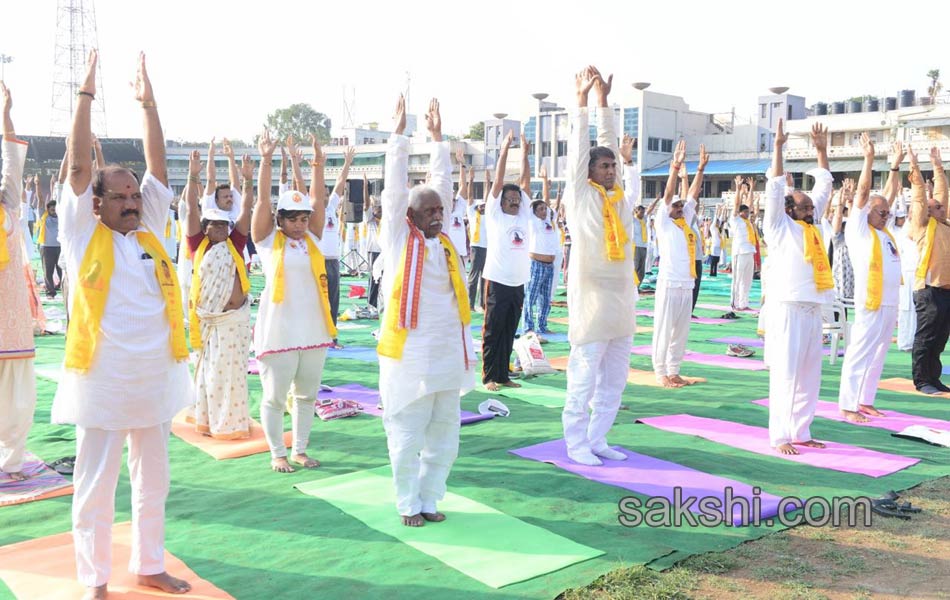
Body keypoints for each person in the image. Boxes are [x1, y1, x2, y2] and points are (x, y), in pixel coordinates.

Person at [52, 50, 193, 598]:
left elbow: (157, 165)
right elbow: (78, 161)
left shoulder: (149, 228)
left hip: (155, 377)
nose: (134, 202)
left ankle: (150, 564)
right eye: (122, 196)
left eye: (136, 195)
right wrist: (85, 95)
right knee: (94, 487)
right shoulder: (84, 232)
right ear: (97, 203)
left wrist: (149, 104)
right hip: (103, 380)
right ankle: (95, 580)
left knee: (153, 481)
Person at [377, 95, 475, 526]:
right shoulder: (400, 241)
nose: (439, 214)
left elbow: (445, 186)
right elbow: (395, 189)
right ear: (409, 216)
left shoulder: (446, 244)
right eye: (430, 210)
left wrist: (438, 139)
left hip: (448, 356)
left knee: (444, 435)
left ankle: (431, 498)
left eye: (441, 209)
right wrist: (398, 136)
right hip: (409, 358)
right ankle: (406, 503)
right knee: (406, 433)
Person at [560, 67, 639, 466]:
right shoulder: (580, 197)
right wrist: (583, 103)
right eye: (604, 167)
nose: (611, 170)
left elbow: (609, 143)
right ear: (590, 172)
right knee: (584, 374)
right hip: (591, 296)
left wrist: (605, 100)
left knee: (615, 378)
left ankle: (598, 438)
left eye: (613, 167)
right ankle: (575, 444)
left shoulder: (619, 197)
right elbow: (580, 149)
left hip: (622, 296)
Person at [251, 130, 336, 472]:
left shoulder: (313, 240)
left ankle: (300, 450)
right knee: (274, 398)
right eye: (293, 219)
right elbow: (260, 202)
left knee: (306, 397)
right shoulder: (268, 241)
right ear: (280, 220)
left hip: (314, 331)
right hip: (279, 332)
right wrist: (268, 159)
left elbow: (319, 200)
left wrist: (318, 162)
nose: (301, 224)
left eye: (303, 218)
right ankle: (277, 453)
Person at [763, 119, 833, 455]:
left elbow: (824, 189)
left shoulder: (813, 230)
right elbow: (775, 188)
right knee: (786, 375)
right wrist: (778, 148)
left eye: (810, 207)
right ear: (789, 210)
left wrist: (821, 152)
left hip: (812, 308)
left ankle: (802, 431)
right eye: (804, 207)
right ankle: (780, 436)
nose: (810, 210)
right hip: (787, 309)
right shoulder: (778, 226)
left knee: (809, 377)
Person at [184, 148, 255, 439]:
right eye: (213, 224)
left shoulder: (235, 243)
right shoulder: (197, 245)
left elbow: (247, 210)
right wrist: (193, 176)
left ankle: (233, 424)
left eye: (224, 224)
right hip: (209, 320)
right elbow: (190, 208)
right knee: (210, 373)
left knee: (233, 373)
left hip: (233, 320)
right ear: (204, 227)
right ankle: (208, 421)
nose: (220, 229)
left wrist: (249, 182)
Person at [837, 133, 901, 422]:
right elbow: (864, 192)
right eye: (881, 212)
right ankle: (848, 405)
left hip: (889, 302)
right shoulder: (859, 229)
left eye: (887, 212)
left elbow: (889, 194)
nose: (886, 215)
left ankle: (865, 400)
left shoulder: (884, 232)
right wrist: (869, 159)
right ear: (867, 213)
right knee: (860, 350)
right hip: (870, 301)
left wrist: (895, 167)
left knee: (878, 354)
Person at [0, 82, 35, 484]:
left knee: (19, 398)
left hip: (15, 323)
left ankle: (11, 463)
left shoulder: (8, 205)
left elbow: (12, 163)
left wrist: (6, 114)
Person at [481, 130, 531, 391]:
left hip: (517, 283)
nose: (514, 201)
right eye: (509, 199)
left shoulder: (523, 217)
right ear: (500, 202)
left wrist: (524, 154)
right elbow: (499, 182)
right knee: (493, 331)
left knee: (510, 330)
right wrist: (503, 152)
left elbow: (525, 182)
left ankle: (503, 374)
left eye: (516, 200)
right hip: (498, 281)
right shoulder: (495, 215)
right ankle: (489, 376)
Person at [651, 140, 698, 388]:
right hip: (669, 282)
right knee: (664, 329)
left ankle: (674, 370)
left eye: (681, 206)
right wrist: (675, 167)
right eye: (676, 206)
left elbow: (692, 196)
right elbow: (669, 196)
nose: (680, 208)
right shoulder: (664, 222)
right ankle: (661, 372)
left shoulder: (685, 224)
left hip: (686, 283)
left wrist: (698, 171)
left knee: (681, 331)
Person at [909, 145, 950, 394]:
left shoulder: (945, 224)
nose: (942, 208)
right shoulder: (922, 225)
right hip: (929, 290)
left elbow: (943, 193)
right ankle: (922, 381)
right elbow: (919, 198)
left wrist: (937, 166)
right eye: (936, 207)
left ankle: (933, 379)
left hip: (946, 291)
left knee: (940, 340)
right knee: (926, 338)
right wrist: (915, 168)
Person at [320, 146, 355, 349]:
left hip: (333, 261)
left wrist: (347, 163)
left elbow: (340, 185)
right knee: (318, 302)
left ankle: (331, 338)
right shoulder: (310, 209)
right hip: (317, 262)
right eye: (322, 193)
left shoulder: (332, 207)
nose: (325, 197)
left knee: (333, 300)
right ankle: (315, 338)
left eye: (327, 194)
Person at [523, 164, 558, 338]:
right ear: (534, 212)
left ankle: (542, 325)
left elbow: (547, 199)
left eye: (545, 208)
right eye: (541, 209)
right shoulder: (533, 221)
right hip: (536, 264)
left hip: (549, 265)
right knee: (530, 296)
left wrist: (546, 181)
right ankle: (528, 327)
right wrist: (542, 180)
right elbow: (534, 197)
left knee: (545, 299)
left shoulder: (548, 221)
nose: (545, 210)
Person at [730, 176, 758, 310]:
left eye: (748, 211)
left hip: (750, 251)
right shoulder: (735, 219)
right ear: (740, 212)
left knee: (747, 280)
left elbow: (750, 204)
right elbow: (736, 204)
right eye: (745, 211)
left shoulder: (747, 221)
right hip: (739, 253)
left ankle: (744, 303)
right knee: (738, 279)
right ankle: (735, 303)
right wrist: (737, 189)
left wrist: (752, 188)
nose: (748, 213)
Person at [36, 194, 64, 299]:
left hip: (60, 247)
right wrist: (37, 184)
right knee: (48, 271)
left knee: (62, 270)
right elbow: (40, 201)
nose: (54, 210)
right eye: (51, 209)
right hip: (46, 247)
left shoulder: (61, 217)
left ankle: (64, 288)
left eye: (55, 209)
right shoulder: (44, 216)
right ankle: (50, 292)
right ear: (47, 209)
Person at [362, 173, 383, 308]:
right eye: (377, 207)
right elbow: (366, 204)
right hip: (374, 252)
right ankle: (371, 305)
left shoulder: (385, 220)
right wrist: (365, 187)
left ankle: (381, 305)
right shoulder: (369, 219)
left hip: (384, 252)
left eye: (380, 207)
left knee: (384, 279)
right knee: (374, 280)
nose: (378, 209)